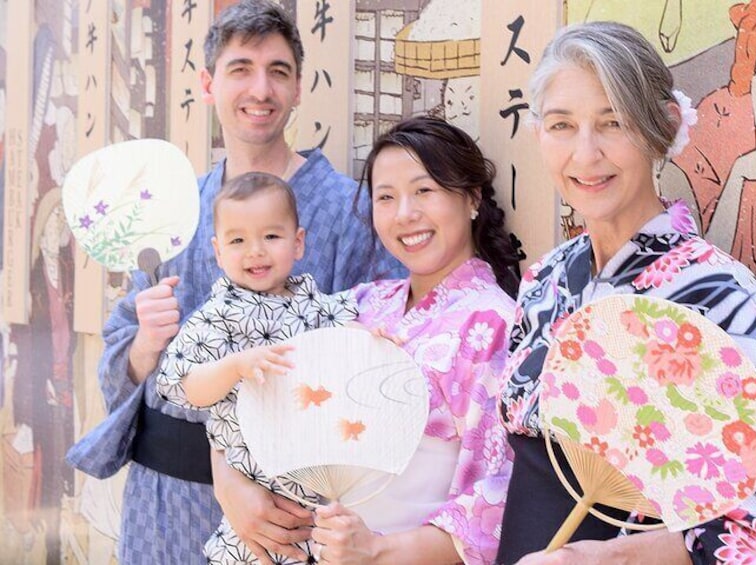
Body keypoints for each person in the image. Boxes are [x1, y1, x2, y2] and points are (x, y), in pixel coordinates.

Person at [66, 1, 403, 563]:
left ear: (298, 88)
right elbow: (121, 360)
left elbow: (379, 358)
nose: (260, 90)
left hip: (285, 511)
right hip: (164, 500)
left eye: (278, 71)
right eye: (240, 69)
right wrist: (146, 342)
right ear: (208, 84)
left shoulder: (350, 210)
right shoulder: (176, 211)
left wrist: (242, 472)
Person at [496, 22, 756, 564]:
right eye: (562, 125)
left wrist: (606, 558)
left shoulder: (719, 293)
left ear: (661, 127)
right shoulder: (544, 280)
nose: (585, 154)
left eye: (613, 122)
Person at [219, 116, 521, 564]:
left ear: (472, 198)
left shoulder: (493, 324)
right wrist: (231, 485)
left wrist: (377, 549)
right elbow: (252, 378)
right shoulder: (363, 303)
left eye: (424, 190)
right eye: (386, 197)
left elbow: (496, 497)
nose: (404, 214)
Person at [156, 172, 357, 564]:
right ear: (218, 252)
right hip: (254, 484)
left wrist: (374, 336)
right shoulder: (220, 315)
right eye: (238, 241)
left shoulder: (314, 303)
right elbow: (183, 386)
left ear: (298, 242)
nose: (255, 251)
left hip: (317, 488)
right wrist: (234, 366)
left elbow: (350, 334)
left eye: (271, 236)